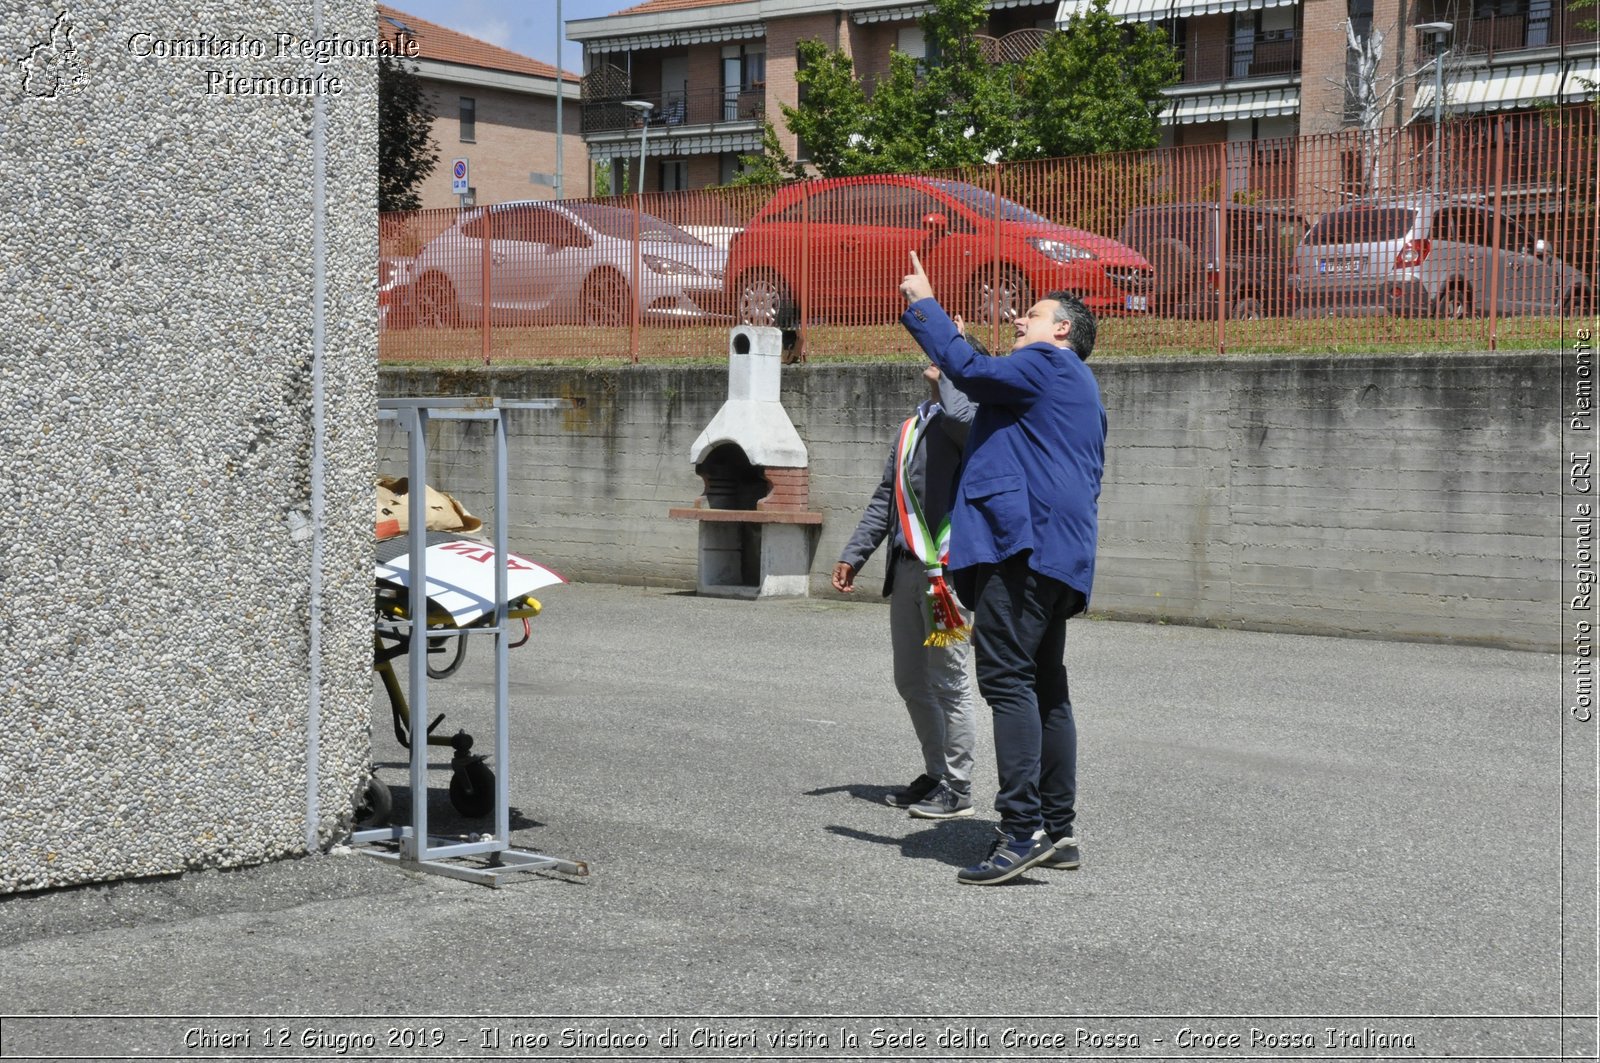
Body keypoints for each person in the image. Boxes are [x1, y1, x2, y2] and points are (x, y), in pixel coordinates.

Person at [898, 250, 1106, 886]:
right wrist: (964, 346)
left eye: (1033, 313)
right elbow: (980, 382)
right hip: (1058, 555)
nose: (1020, 317)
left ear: (1062, 330)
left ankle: (1022, 832)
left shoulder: (1044, 364)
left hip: (1023, 548)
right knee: (1044, 685)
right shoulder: (1074, 390)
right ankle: (1058, 828)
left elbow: (969, 370)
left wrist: (924, 304)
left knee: (1008, 681)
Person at [833, 362, 978, 820]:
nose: (929, 360)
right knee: (911, 681)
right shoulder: (912, 427)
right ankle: (936, 773)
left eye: (943, 354)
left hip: (945, 576)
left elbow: (960, 419)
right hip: (908, 572)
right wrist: (855, 553)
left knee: (950, 683)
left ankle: (959, 787)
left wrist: (947, 379)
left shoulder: (971, 416)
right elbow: (885, 497)